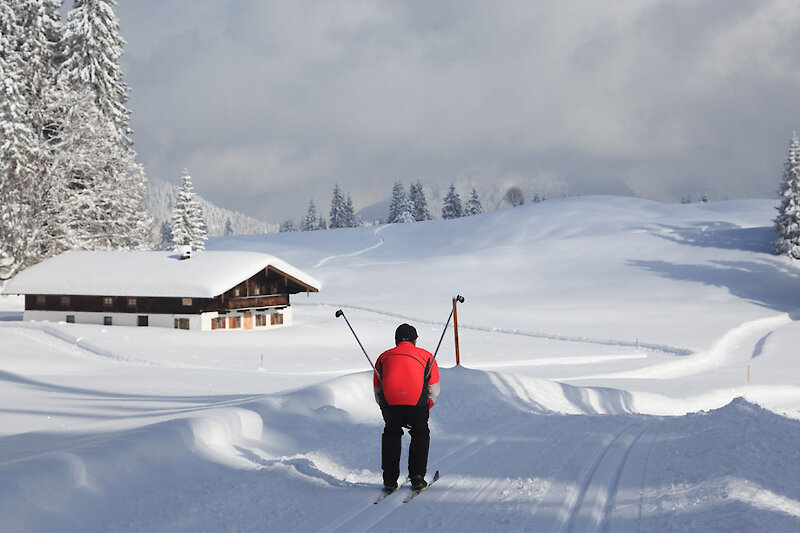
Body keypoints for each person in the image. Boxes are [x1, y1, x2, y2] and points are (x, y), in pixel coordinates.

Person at [373, 323, 440, 492]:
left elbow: (377, 388)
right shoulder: (427, 357)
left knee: (391, 435)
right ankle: (417, 477)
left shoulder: (383, 356)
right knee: (420, 433)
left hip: (391, 403)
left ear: (396, 340)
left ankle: (389, 480)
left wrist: (384, 406)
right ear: (415, 340)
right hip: (418, 403)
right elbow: (434, 389)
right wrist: (427, 405)